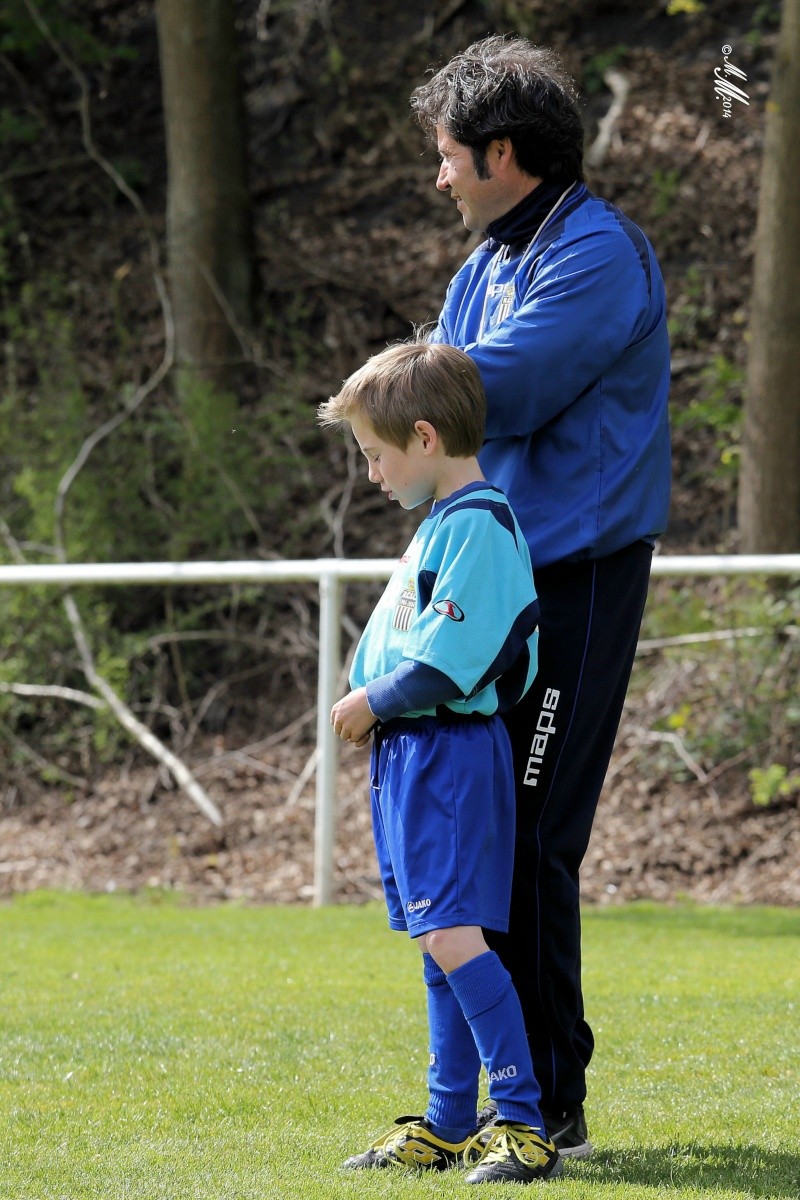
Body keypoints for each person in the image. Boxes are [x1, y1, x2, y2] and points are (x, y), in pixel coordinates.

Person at [410, 35, 672, 1158]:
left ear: (500, 154)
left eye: (447, 157)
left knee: (528, 841)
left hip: (574, 582)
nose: (438, 177)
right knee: (469, 844)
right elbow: (438, 390)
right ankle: (467, 1114)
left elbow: (489, 391)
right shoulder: (486, 264)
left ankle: (547, 1107)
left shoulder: (595, 252)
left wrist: (398, 390)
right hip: (489, 581)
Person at [318, 340, 563, 1185]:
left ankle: (524, 1123)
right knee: (436, 939)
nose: (374, 474)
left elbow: (451, 663)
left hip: (448, 756)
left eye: (376, 456)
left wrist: (370, 702)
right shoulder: (442, 528)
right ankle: (450, 1120)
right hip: (412, 759)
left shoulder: (481, 527)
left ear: (425, 437)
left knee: (455, 935)